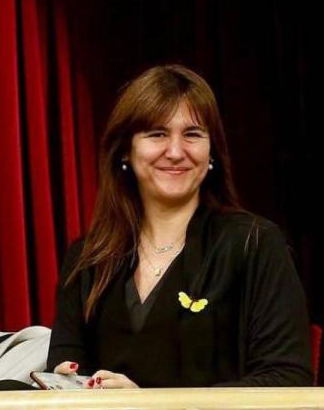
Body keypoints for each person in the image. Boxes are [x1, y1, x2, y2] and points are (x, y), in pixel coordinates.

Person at [47, 64, 313, 388]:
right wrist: (65, 387)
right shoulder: (87, 260)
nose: (175, 152)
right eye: (157, 134)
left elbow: (288, 379)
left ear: (211, 151)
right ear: (126, 151)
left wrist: (147, 406)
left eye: (192, 134)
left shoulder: (255, 244)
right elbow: (66, 375)